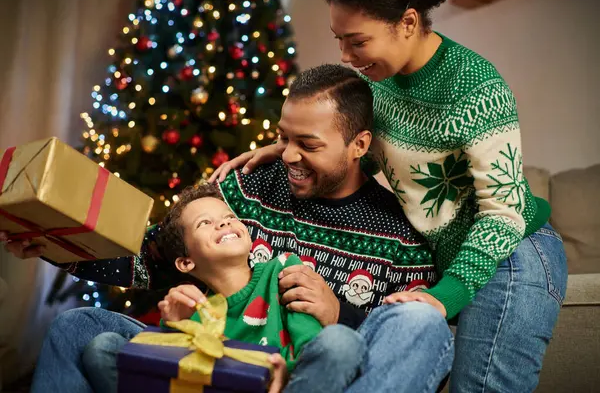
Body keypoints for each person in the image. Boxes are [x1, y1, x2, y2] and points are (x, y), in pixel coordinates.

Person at [0, 65, 447, 392]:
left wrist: (339, 315)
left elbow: (399, 345)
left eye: (307, 144)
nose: (288, 155)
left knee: (386, 334)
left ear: (359, 146)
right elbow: (153, 258)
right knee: (76, 327)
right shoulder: (244, 187)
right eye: (283, 138)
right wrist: (56, 242)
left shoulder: (401, 237)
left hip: (305, 373)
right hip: (210, 356)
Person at [209, 0, 569, 391]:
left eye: (358, 41)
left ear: (409, 23)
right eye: (339, 40)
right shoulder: (374, 80)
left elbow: (503, 212)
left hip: (512, 251)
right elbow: (353, 148)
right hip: (451, 251)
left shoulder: (475, 87)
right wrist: (289, 149)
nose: (346, 55)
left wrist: (444, 297)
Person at [83, 183, 453, 393]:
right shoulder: (193, 303)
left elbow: (313, 345)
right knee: (102, 346)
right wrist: (175, 324)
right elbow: (173, 371)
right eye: (206, 224)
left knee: (342, 342)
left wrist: (286, 376)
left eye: (229, 217)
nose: (224, 224)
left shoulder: (283, 271)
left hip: (281, 386)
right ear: (185, 263)